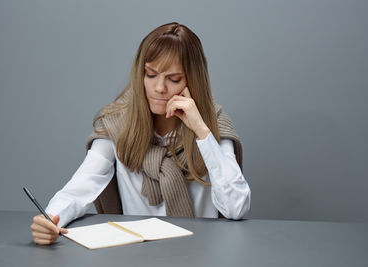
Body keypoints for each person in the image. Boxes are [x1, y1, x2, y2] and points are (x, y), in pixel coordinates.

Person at [30, 22, 251, 245]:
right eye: (150, 74)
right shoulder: (118, 126)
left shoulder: (212, 125)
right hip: (135, 254)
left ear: (193, 80)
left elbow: (236, 207)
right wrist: (50, 220)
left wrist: (202, 132)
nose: (159, 88)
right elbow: (77, 190)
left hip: (202, 254)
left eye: (173, 79)